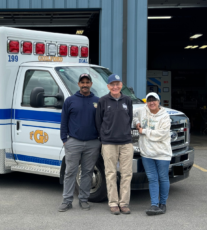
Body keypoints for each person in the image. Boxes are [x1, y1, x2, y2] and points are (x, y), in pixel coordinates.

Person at [59, 73, 101, 212]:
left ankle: (83, 200)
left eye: (87, 82)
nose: (85, 84)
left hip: (92, 143)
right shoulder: (70, 101)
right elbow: (64, 121)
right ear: (78, 84)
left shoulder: (97, 101)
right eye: (82, 82)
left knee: (87, 172)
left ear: (91, 84)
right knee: (70, 172)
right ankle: (67, 201)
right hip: (73, 142)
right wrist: (65, 140)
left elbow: (102, 121)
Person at [95, 74, 133, 215]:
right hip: (109, 143)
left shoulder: (127, 100)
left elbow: (129, 119)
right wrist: (104, 137)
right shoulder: (103, 101)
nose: (115, 87)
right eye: (112, 84)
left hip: (126, 143)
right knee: (110, 173)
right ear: (108, 86)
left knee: (126, 174)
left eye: (118, 84)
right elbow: (98, 122)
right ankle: (113, 203)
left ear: (121, 85)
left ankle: (124, 203)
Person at [133, 92, 172, 216]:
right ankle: (154, 205)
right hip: (147, 153)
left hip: (162, 153)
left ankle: (163, 203)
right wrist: (136, 122)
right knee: (152, 179)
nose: (151, 103)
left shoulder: (165, 116)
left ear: (158, 101)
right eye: (149, 100)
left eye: (154, 100)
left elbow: (162, 134)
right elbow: (134, 115)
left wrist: (143, 131)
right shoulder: (142, 110)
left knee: (163, 178)